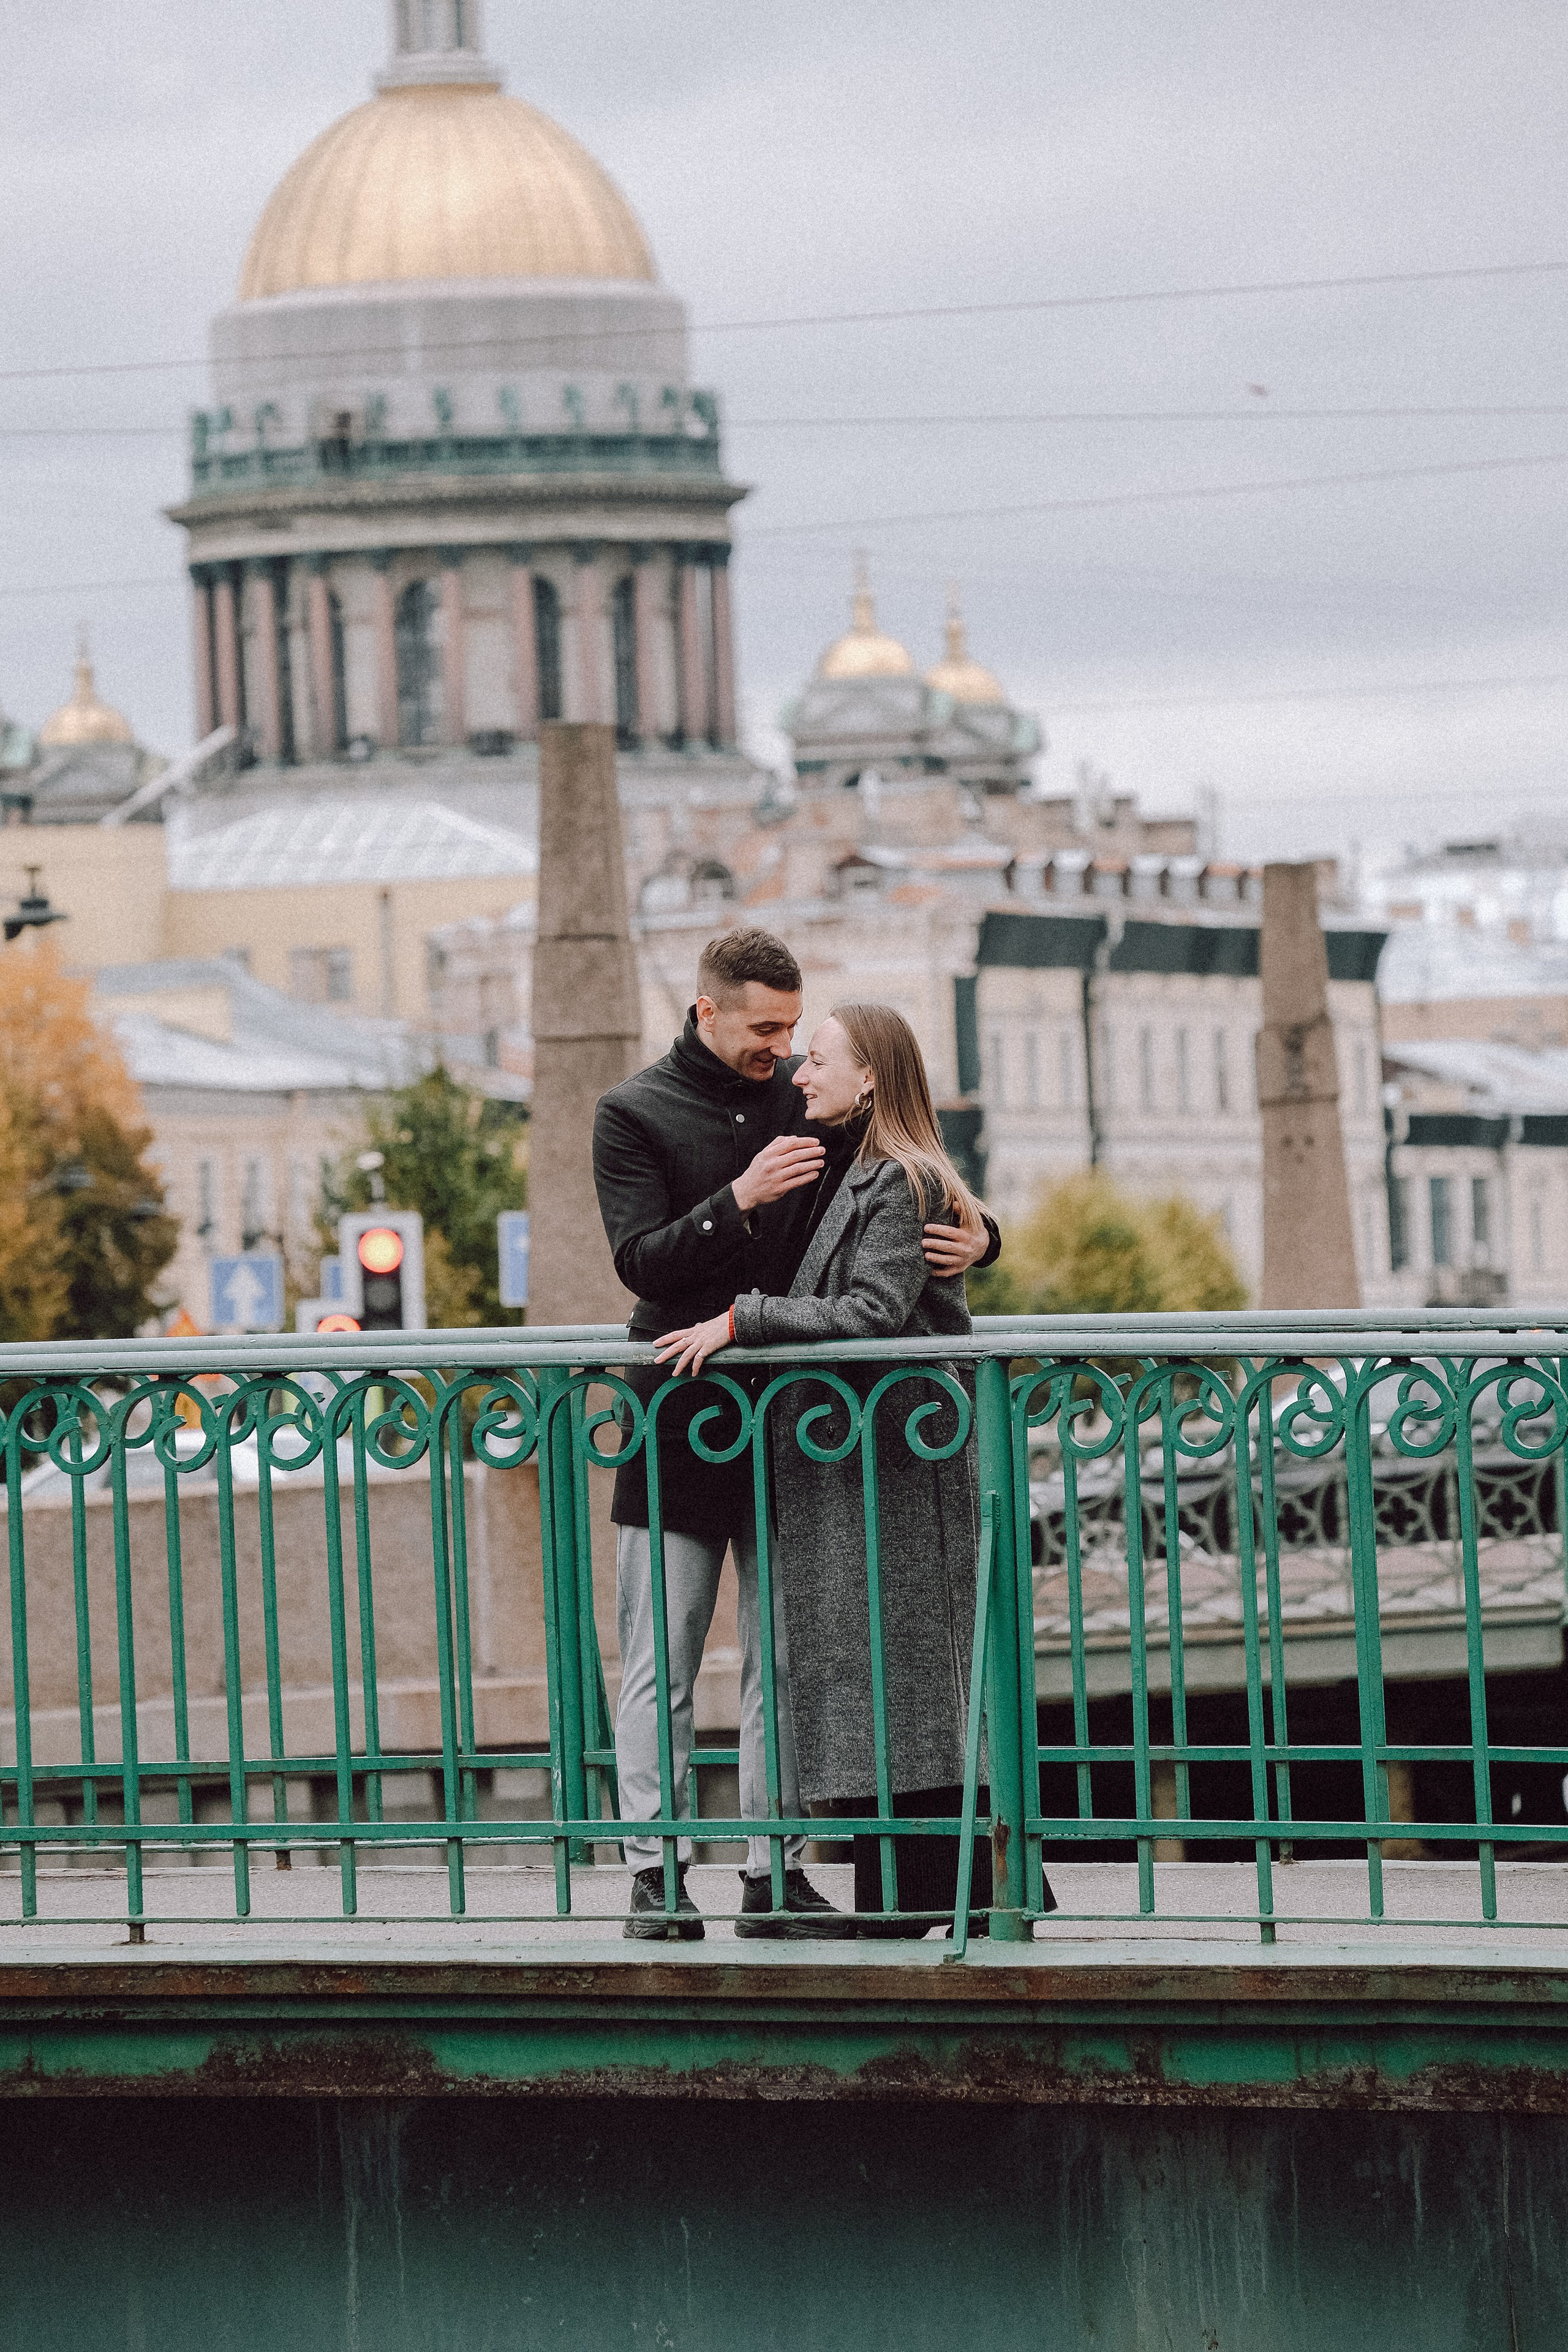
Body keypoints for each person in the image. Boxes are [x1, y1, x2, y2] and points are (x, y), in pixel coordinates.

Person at [594, 933, 998, 1940]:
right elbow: (639, 1263)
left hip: (793, 1426)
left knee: (782, 1659)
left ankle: (773, 1870)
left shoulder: (805, 1093)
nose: (783, 1049)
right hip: (681, 1406)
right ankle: (655, 1874)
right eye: (766, 1029)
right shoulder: (632, 1112)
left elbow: (898, 1194)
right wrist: (737, 1203)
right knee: (664, 1657)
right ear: (708, 1012)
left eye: (794, 1031)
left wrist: (988, 1237)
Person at [656, 1001, 1054, 1937]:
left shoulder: (896, 1179)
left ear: (870, 1075)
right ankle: (927, 1895)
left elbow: (875, 1309)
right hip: (867, 1465)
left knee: (908, 1679)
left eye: (820, 1058)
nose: (800, 1074)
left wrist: (741, 1320)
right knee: (889, 1679)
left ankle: (937, 1894)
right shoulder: (869, 1167)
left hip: (896, 1466)